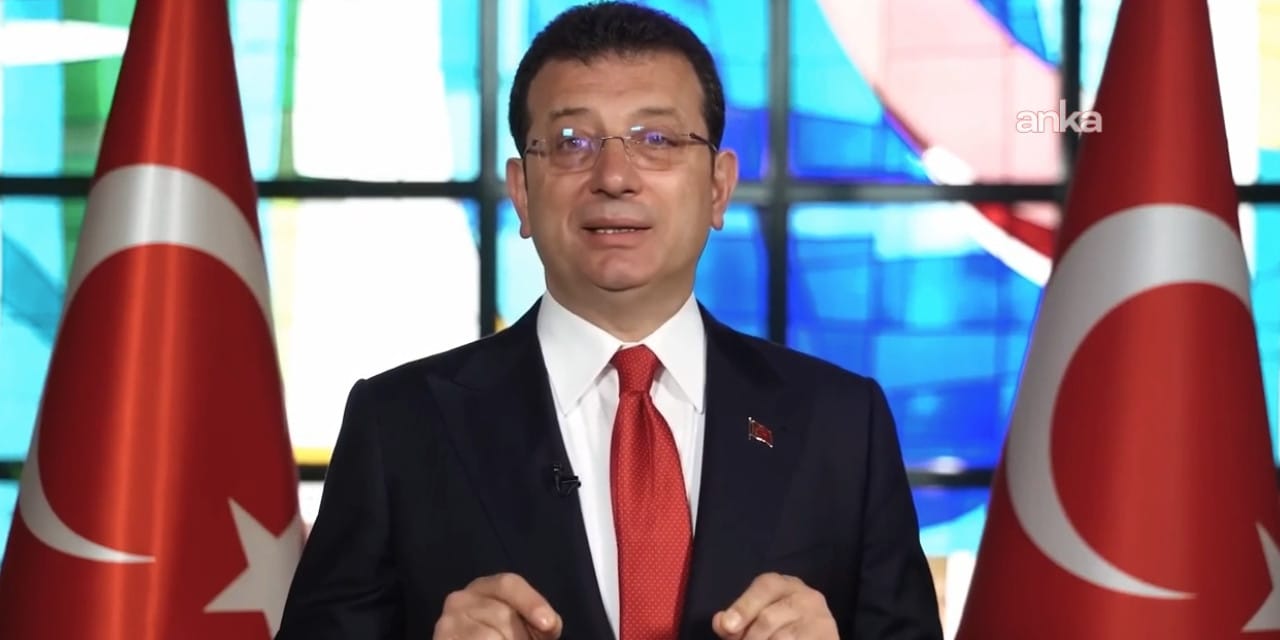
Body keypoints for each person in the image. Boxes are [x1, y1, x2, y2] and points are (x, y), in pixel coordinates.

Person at [275, 2, 943, 639]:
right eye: (572, 142)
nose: (615, 176)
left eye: (657, 139)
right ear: (522, 192)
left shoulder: (842, 424)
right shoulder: (399, 425)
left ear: (718, 187)